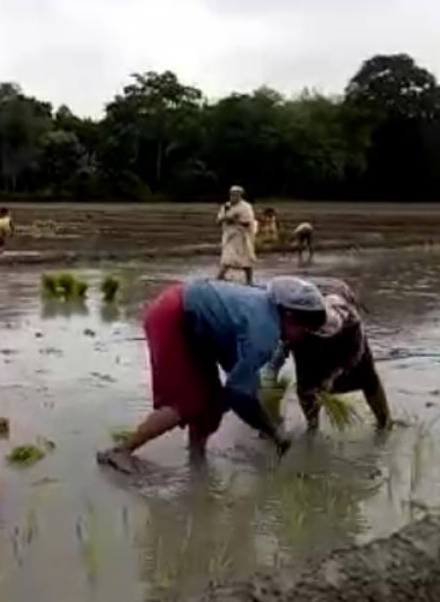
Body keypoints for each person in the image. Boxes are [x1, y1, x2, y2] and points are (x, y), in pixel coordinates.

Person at [97, 277, 330, 473]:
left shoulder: (265, 308)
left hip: (194, 324)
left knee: (210, 403)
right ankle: (121, 451)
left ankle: (197, 460)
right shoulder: (264, 333)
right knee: (186, 402)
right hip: (173, 316)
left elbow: (237, 378)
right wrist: (274, 432)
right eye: (305, 330)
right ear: (289, 317)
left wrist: (245, 403)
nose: (305, 338)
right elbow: (239, 395)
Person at [263, 279, 391, 431]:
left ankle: (384, 422)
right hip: (305, 324)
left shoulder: (347, 322)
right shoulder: (289, 318)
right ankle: (312, 426)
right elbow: (276, 352)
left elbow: (356, 352)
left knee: (366, 376)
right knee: (306, 386)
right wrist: (269, 378)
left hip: (342, 334)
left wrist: (333, 375)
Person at [217, 185, 258, 285]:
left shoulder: (246, 207)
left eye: (236, 195)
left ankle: (249, 281)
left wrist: (234, 220)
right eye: (232, 194)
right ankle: (219, 278)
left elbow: (247, 222)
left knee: (246, 260)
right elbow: (218, 221)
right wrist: (224, 218)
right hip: (230, 236)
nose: (233, 196)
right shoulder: (226, 206)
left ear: (240, 195)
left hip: (242, 236)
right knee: (227, 258)